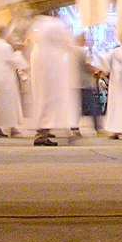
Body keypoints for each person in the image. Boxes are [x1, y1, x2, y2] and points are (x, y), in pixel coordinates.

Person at [30, 13, 76, 146]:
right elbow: (65, 42)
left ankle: (44, 129)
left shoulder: (40, 24)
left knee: (42, 98)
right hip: (51, 65)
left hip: (40, 64)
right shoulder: (55, 25)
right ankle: (42, 134)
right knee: (51, 99)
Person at [0, 26, 28, 137]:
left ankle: (8, 127)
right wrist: (20, 53)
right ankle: (1, 128)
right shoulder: (5, 47)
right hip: (5, 81)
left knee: (0, 105)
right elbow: (13, 61)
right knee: (7, 105)